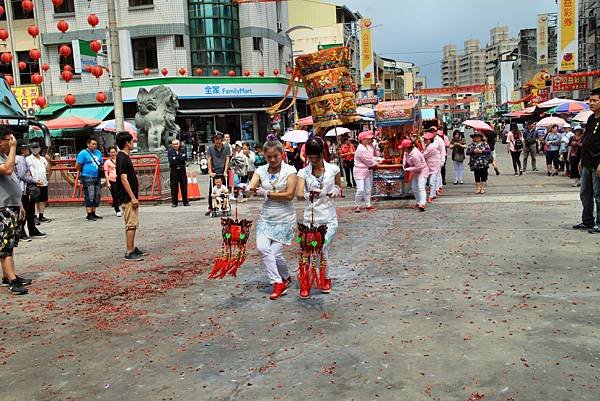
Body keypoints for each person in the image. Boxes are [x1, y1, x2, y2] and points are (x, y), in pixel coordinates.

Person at [247, 135, 297, 300]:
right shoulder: (261, 170)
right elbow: (252, 187)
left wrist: (267, 193)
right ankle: (281, 280)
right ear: (264, 155)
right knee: (263, 248)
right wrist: (245, 189)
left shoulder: (290, 170)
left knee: (274, 254)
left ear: (282, 154)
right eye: (269, 157)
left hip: (285, 218)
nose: (273, 159)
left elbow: (289, 195)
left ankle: (279, 282)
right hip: (266, 218)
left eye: (276, 156)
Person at [295, 137, 342, 298]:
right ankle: (305, 281)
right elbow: (299, 194)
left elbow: (338, 185)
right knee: (307, 251)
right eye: (310, 157)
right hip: (311, 219)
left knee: (322, 247)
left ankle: (325, 277)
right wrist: (309, 194)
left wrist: (335, 190)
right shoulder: (303, 172)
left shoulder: (333, 169)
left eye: (316, 156)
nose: (313, 160)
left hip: (328, 218)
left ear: (323, 153)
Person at [0, 128, 30, 294]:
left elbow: (13, 181)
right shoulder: (6, 157)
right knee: (5, 245)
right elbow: (8, 170)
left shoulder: (5, 156)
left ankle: (8, 275)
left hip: (12, 205)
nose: (11, 143)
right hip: (2, 207)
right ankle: (12, 281)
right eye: (8, 140)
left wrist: (20, 204)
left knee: (10, 244)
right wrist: (13, 148)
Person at [115, 131, 147, 261]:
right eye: (131, 141)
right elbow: (123, 178)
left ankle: (132, 247)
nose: (133, 143)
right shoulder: (122, 157)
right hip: (127, 196)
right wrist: (132, 196)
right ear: (127, 143)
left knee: (133, 222)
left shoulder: (124, 156)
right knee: (131, 223)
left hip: (130, 195)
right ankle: (129, 251)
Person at [574, 87, 600, 232]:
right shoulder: (591, 118)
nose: (591, 103)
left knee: (598, 195)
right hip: (587, 163)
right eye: (590, 100)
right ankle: (587, 220)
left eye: (595, 100)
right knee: (585, 194)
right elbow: (587, 139)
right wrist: (581, 160)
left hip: (598, 164)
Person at [15, 141, 46, 240]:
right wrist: (34, 181)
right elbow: (22, 175)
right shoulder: (19, 159)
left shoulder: (23, 159)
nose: (28, 150)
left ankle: (32, 229)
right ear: (21, 149)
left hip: (26, 188)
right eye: (26, 148)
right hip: (22, 188)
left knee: (30, 210)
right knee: (26, 210)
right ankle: (22, 231)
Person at [75, 137, 103, 221]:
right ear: (88, 144)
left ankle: (94, 213)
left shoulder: (98, 152)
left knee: (96, 194)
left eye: (96, 144)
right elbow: (78, 165)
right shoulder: (83, 153)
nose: (95, 146)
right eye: (93, 144)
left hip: (97, 175)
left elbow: (101, 162)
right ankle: (89, 213)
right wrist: (83, 171)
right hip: (87, 176)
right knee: (89, 194)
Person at [353, 130, 381, 213]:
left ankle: (368, 205)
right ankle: (357, 205)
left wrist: (378, 160)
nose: (369, 140)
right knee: (360, 189)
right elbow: (368, 160)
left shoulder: (367, 147)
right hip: (359, 171)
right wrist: (376, 163)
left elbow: (371, 157)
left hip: (367, 171)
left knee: (368, 189)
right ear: (362, 140)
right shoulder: (361, 149)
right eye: (367, 139)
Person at [206, 133, 231, 216]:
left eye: (219, 143)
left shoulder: (227, 148)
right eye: (216, 143)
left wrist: (225, 171)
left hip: (223, 170)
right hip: (215, 171)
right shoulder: (210, 148)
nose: (218, 145)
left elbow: (227, 159)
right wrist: (210, 171)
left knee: (224, 191)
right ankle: (211, 206)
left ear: (222, 141)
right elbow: (209, 159)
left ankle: (225, 206)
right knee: (213, 190)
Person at [400, 138, 428, 211]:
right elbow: (405, 158)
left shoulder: (415, 154)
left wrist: (407, 169)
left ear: (407, 147)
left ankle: (423, 203)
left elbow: (418, 167)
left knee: (421, 187)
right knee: (414, 188)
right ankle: (418, 202)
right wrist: (404, 164)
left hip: (422, 171)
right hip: (415, 171)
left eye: (404, 148)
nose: (403, 149)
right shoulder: (407, 152)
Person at [26, 142, 51, 223]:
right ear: (30, 149)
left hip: (43, 181)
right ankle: (34, 216)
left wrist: (48, 160)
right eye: (33, 148)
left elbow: (48, 169)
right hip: (34, 183)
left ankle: (41, 215)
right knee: (35, 200)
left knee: (43, 200)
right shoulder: (28, 159)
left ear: (40, 148)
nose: (35, 149)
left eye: (36, 147)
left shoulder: (43, 159)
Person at [167, 139, 189, 208]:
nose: (176, 145)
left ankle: (185, 201)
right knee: (174, 187)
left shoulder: (183, 150)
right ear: (172, 145)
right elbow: (171, 161)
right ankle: (174, 202)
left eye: (177, 144)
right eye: (174, 144)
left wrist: (176, 158)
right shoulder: (170, 151)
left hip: (182, 170)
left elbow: (184, 158)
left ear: (179, 144)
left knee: (184, 186)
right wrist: (179, 159)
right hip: (174, 170)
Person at [422, 132, 441, 203]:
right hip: (429, 166)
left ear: (430, 140)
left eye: (426, 139)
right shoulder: (428, 146)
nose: (425, 140)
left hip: (434, 166)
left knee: (432, 181)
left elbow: (424, 155)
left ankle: (431, 196)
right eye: (425, 139)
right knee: (430, 181)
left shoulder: (431, 147)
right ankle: (432, 195)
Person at [103, 147, 121, 217]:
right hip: (112, 180)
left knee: (121, 194)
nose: (113, 153)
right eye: (111, 152)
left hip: (120, 179)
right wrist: (107, 182)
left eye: (114, 152)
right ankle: (117, 210)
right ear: (109, 153)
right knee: (115, 196)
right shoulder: (107, 162)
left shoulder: (119, 160)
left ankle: (122, 206)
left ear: (116, 152)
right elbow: (106, 172)